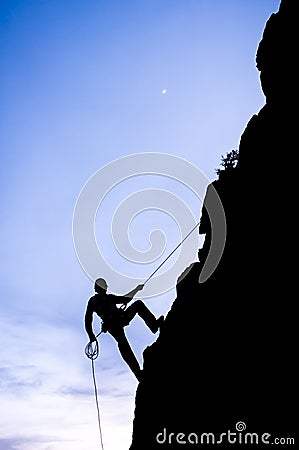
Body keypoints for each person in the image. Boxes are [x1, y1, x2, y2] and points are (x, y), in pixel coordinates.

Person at [84, 277, 164, 382]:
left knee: (124, 345)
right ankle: (153, 326)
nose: (106, 288)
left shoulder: (102, 299)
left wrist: (136, 289)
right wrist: (91, 335)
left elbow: (125, 299)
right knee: (124, 345)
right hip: (116, 323)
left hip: (116, 322)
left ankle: (139, 374)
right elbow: (88, 319)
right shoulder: (98, 300)